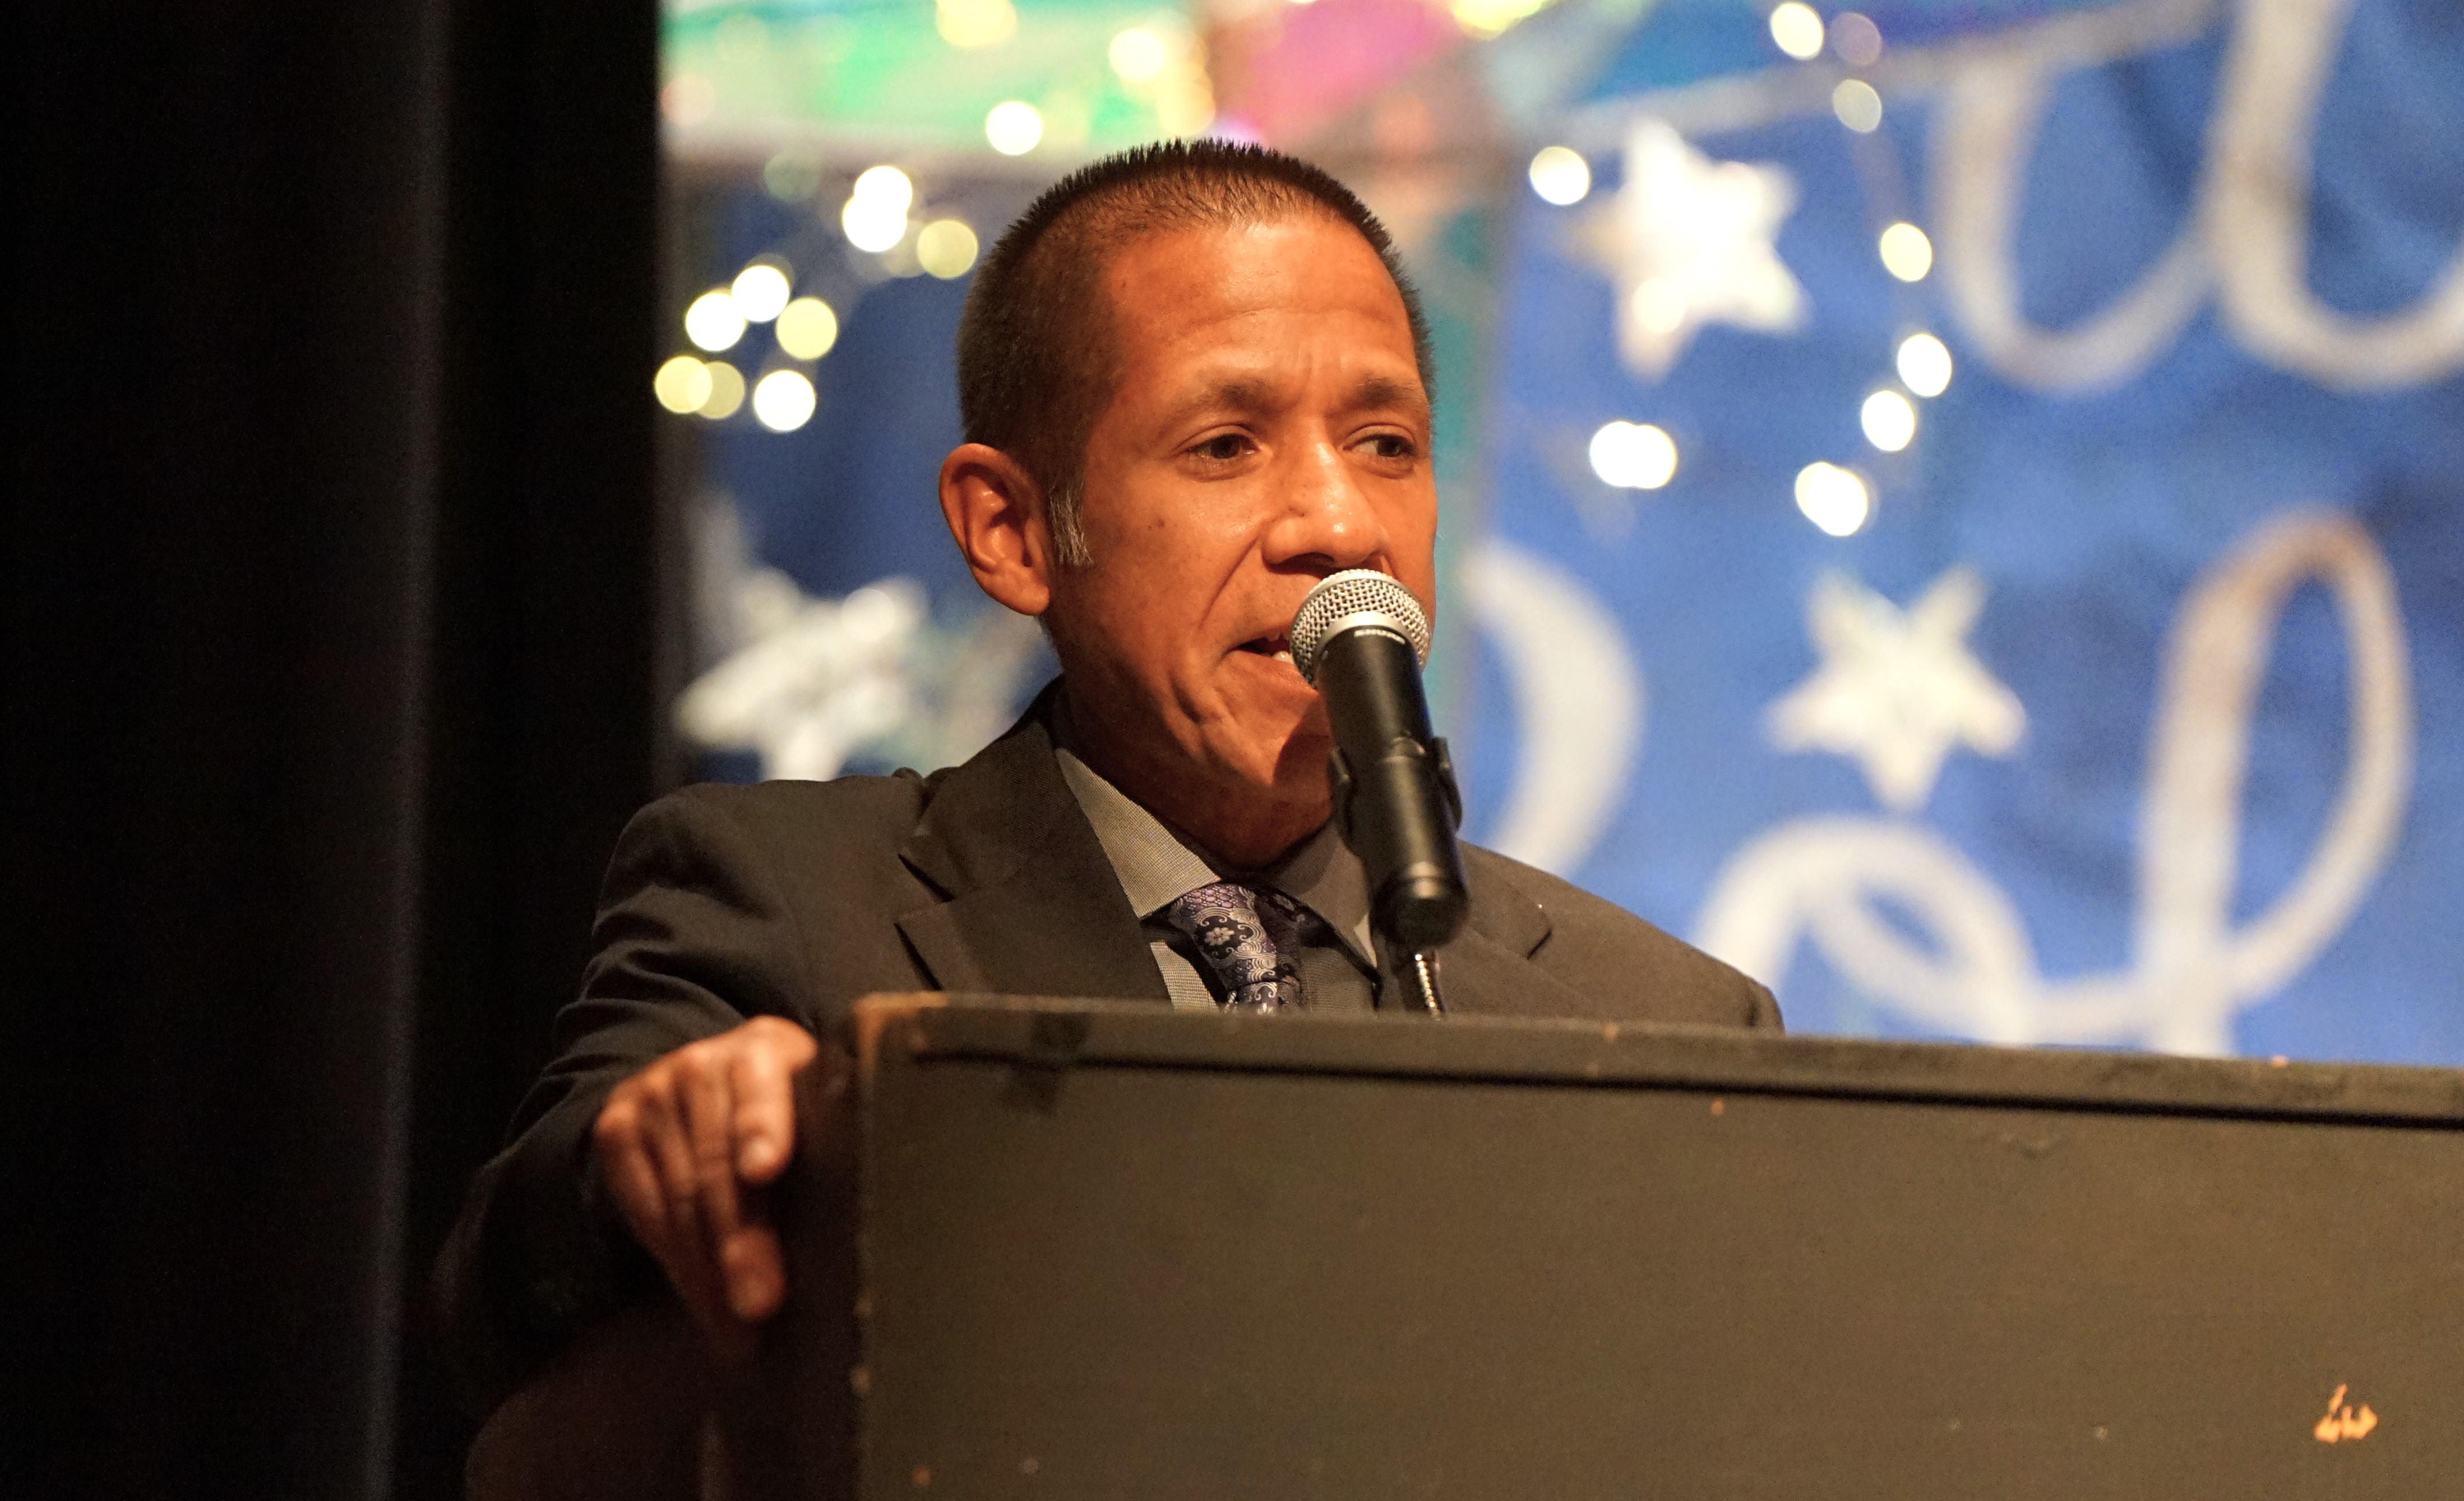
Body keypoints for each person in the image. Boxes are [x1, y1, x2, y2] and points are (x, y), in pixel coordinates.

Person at [436, 142, 1779, 1407]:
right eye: (1226, 445)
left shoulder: (1671, 1021)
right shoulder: (786, 903)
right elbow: (496, 1303)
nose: (1341, 524)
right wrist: (647, 1154)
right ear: (1014, 532)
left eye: (1387, 444)